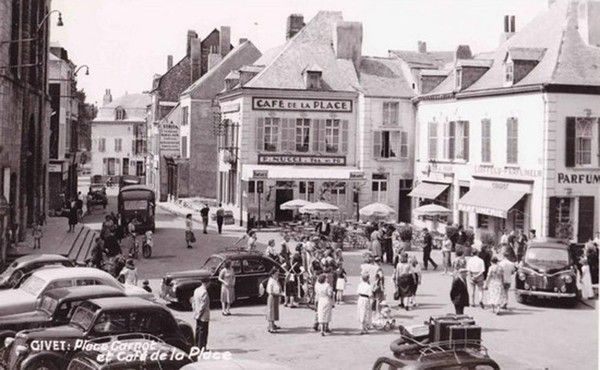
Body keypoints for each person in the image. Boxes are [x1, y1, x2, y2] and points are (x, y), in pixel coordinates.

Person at [191, 277, 210, 350]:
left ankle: (196, 345)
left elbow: (194, 301)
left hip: (197, 313)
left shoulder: (197, 290)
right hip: (203, 315)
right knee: (204, 332)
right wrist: (199, 314)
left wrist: (195, 311)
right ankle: (202, 347)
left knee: (198, 330)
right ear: (206, 283)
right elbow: (203, 305)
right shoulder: (204, 292)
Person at [266, 268, 282, 333]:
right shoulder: (271, 281)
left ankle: (273, 325)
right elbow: (271, 291)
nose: (278, 274)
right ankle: (271, 327)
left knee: (274, 311)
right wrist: (279, 294)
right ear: (273, 274)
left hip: (276, 297)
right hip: (272, 297)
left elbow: (279, 287)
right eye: (276, 273)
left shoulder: (275, 280)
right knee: (271, 312)